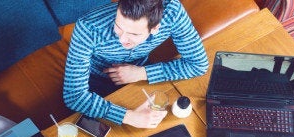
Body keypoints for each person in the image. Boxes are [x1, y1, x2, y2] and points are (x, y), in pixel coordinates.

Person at [63, 0, 209, 129]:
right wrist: (128, 117)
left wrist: (141, 73)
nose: (122, 39)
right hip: (94, 82)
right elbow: (74, 96)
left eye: (134, 34)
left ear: (155, 28)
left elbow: (198, 64)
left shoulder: (172, 12)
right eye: (118, 27)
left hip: (140, 75)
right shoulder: (88, 28)